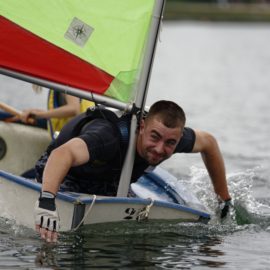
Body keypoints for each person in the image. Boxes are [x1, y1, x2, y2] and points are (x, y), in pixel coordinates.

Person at [34, 100, 232, 242]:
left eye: (170, 142)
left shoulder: (171, 137)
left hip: (109, 180)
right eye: (154, 137)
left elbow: (209, 143)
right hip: (66, 172)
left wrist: (224, 200)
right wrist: (47, 200)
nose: (160, 148)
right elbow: (62, 154)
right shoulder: (107, 136)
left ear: (179, 138)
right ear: (142, 126)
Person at [20, 84, 95, 138]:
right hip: (76, 136)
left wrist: (40, 114)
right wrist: (36, 112)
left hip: (83, 136)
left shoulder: (65, 81)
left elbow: (74, 108)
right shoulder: (58, 84)